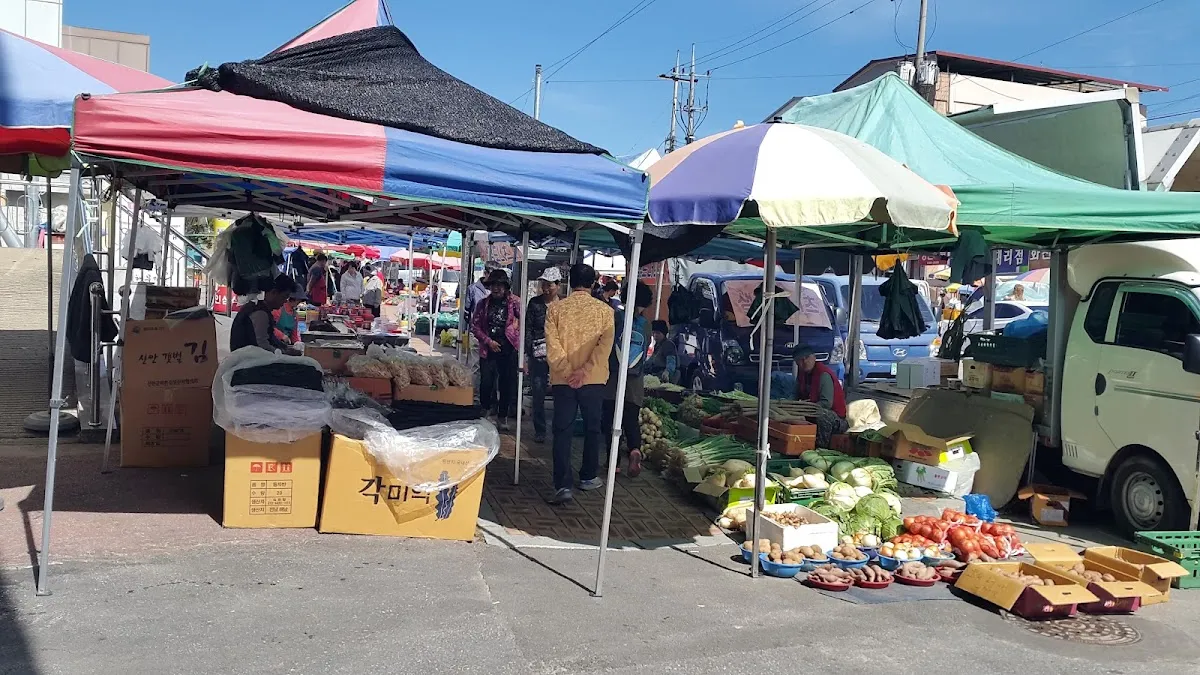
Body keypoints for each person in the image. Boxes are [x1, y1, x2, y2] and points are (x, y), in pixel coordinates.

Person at [545, 263, 614, 505]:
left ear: (569, 282)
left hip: (563, 381)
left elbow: (552, 347)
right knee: (593, 429)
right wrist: (583, 372)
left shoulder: (555, 310)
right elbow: (603, 348)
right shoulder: (605, 311)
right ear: (593, 283)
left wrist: (568, 372)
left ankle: (562, 484)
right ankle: (588, 476)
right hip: (593, 380)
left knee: (562, 431)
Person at [601, 281, 652, 478]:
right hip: (635, 383)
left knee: (611, 422)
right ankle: (635, 450)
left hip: (613, 380)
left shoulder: (617, 317)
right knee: (630, 420)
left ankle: (613, 462)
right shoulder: (646, 325)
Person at [471, 269, 521, 430]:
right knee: (486, 382)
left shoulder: (515, 303)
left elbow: (524, 323)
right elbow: (475, 326)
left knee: (506, 384)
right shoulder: (482, 304)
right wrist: (488, 341)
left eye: (500, 285)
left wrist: (517, 336)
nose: (496, 288)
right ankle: (486, 410)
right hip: (488, 348)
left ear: (506, 287)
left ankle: (502, 416)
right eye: (493, 285)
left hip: (509, 349)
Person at [525, 267, 561, 443]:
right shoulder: (534, 303)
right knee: (538, 392)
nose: (546, 289)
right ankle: (540, 430)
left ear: (558, 286)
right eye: (543, 285)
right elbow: (528, 329)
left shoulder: (564, 306)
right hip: (537, 355)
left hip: (559, 356)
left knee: (560, 393)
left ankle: (559, 429)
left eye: (549, 285)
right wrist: (528, 353)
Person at [793, 344, 847, 447]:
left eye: (807, 358)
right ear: (796, 363)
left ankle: (822, 447)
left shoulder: (823, 374)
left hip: (836, 420)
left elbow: (826, 403)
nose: (805, 362)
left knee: (822, 414)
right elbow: (795, 396)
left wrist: (805, 409)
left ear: (814, 357)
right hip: (810, 410)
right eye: (800, 360)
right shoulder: (802, 374)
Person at [231, 275, 302, 355]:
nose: (285, 301)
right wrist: (283, 352)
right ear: (274, 293)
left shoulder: (263, 310)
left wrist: (286, 348)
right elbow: (262, 345)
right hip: (246, 360)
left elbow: (271, 338)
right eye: (284, 297)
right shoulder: (260, 313)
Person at [644, 319, 678, 384]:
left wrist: (667, 372)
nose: (655, 335)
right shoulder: (658, 345)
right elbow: (651, 361)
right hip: (654, 375)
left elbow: (671, 361)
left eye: (658, 333)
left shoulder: (668, 345)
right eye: (653, 333)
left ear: (664, 333)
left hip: (663, 377)